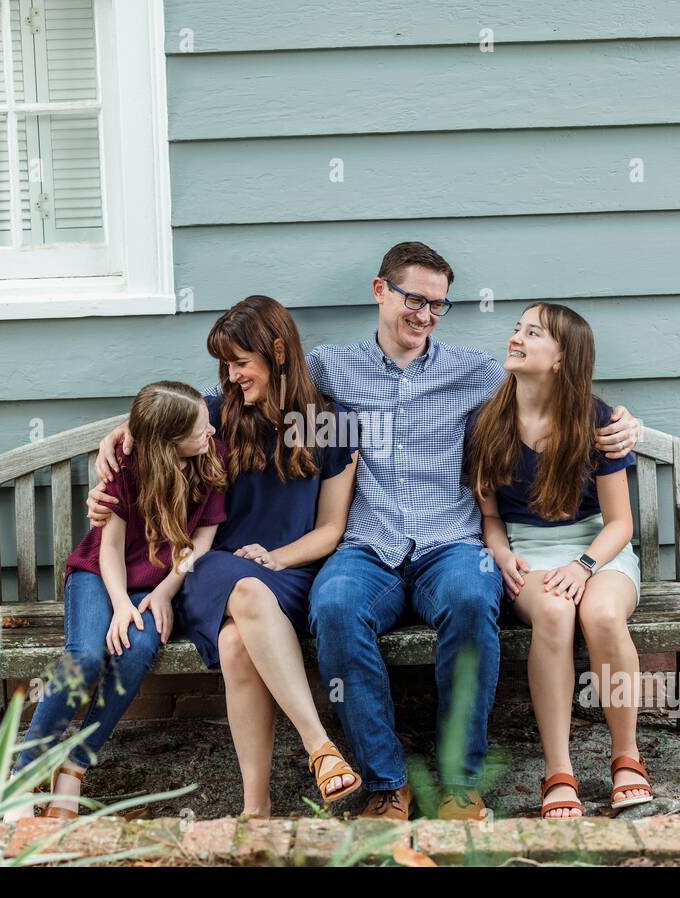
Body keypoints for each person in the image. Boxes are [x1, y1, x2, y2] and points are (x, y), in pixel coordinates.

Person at [93, 241, 643, 821]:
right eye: (415, 299)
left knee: (468, 600)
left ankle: (459, 782)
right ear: (380, 291)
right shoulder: (332, 368)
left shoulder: (477, 373)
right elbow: (223, 398)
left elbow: (558, 394)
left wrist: (627, 423)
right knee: (334, 608)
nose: (425, 315)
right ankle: (385, 784)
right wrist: (126, 434)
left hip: (450, 542)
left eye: (438, 305)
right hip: (363, 545)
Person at [89, 297, 363, 815]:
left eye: (241, 362)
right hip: (209, 564)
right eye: (226, 365)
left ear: (278, 352)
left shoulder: (332, 423)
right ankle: (318, 746)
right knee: (239, 585)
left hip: (289, 572)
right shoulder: (217, 413)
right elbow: (154, 427)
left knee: (237, 644)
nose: (232, 375)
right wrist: (114, 437)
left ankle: (254, 812)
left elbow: (330, 530)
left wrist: (279, 558)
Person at [4, 381, 227, 822]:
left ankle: (74, 768)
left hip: (157, 584)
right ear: (167, 442)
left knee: (135, 649)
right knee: (86, 657)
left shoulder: (209, 459)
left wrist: (164, 591)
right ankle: (19, 777)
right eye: (201, 427)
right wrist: (122, 603)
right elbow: (109, 548)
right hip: (100, 575)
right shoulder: (127, 466)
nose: (211, 431)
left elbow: (202, 539)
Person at [467, 302, 651, 818]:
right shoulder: (489, 422)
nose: (516, 338)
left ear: (561, 359)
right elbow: (492, 518)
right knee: (552, 613)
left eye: (533, 333)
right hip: (528, 550)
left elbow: (620, 523)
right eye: (517, 328)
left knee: (603, 616)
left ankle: (627, 757)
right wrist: (501, 555)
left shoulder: (597, 421)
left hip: (598, 548)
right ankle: (559, 769)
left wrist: (584, 566)